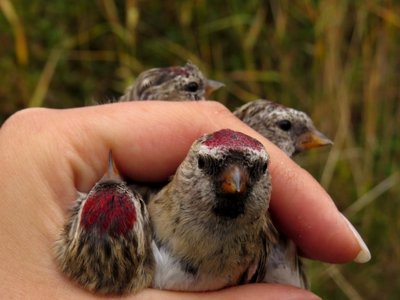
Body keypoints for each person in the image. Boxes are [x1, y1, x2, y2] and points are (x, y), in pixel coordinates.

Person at [0, 101, 370, 299]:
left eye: (255, 172)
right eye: (209, 165)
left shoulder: (269, 251)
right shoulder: (136, 215)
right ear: (183, 167)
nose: (236, 180)